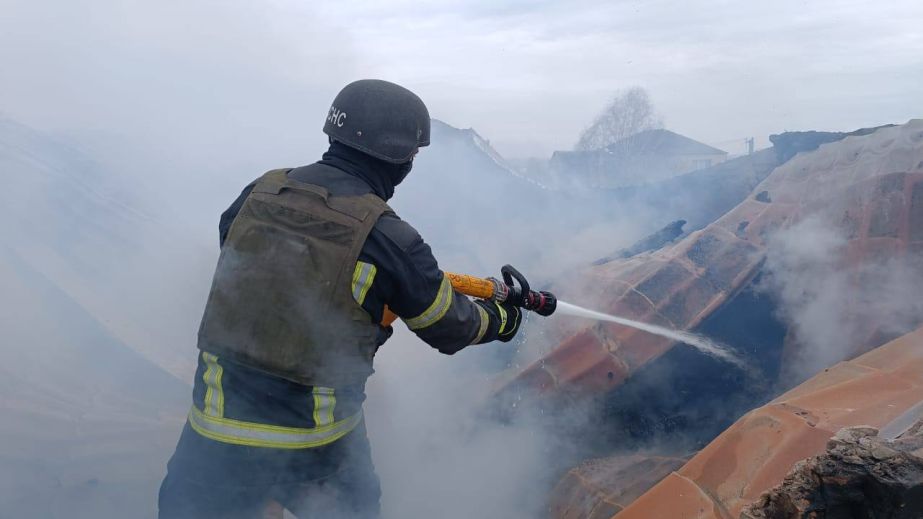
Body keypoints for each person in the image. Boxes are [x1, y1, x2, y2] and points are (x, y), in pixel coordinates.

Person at [158, 79, 523, 519]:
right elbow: (450, 326)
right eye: (413, 154)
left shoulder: (260, 192)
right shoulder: (390, 238)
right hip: (316, 454)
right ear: (398, 157)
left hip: (209, 445)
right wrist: (505, 321)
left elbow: (242, 265)